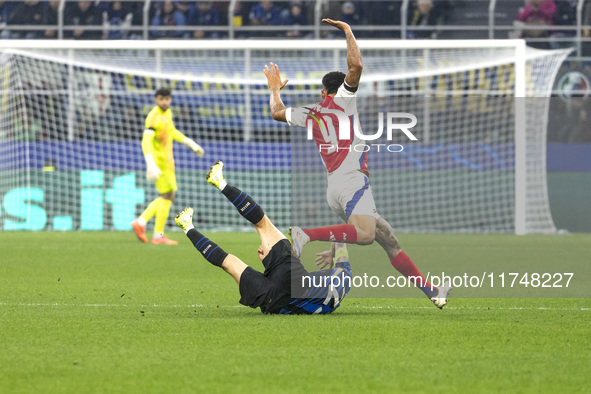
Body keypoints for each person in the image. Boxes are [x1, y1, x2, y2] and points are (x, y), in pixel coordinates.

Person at [263, 18, 451, 308]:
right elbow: (356, 67)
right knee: (365, 235)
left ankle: (432, 292)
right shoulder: (344, 102)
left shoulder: (310, 112)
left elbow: (276, 111)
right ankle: (304, 234)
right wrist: (348, 31)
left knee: (388, 240)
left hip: (336, 188)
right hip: (352, 179)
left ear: (323, 91)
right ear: (338, 91)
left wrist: (275, 89)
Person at [174, 161, 353, 315]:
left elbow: (340, 244)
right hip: (274, 303)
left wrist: (333, 249)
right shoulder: (333, 298)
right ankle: (187, 226)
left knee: (262, 224)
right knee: (228, 263)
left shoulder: (344, 276)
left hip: (294, 281)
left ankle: (220, 182)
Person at [131, 88, 204, 245]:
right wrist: (150, 163)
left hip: (168, 162)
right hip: (159, 163)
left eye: (167, 99)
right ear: (156, 100)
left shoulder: (168, 113)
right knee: (168, 195)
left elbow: (171, 131)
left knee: (167, 195)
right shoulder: (153, 117)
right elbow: (146, 141)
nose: (164, 102)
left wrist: (188, 142)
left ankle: (142, 223)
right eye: (161, 99)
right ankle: (156, 234)